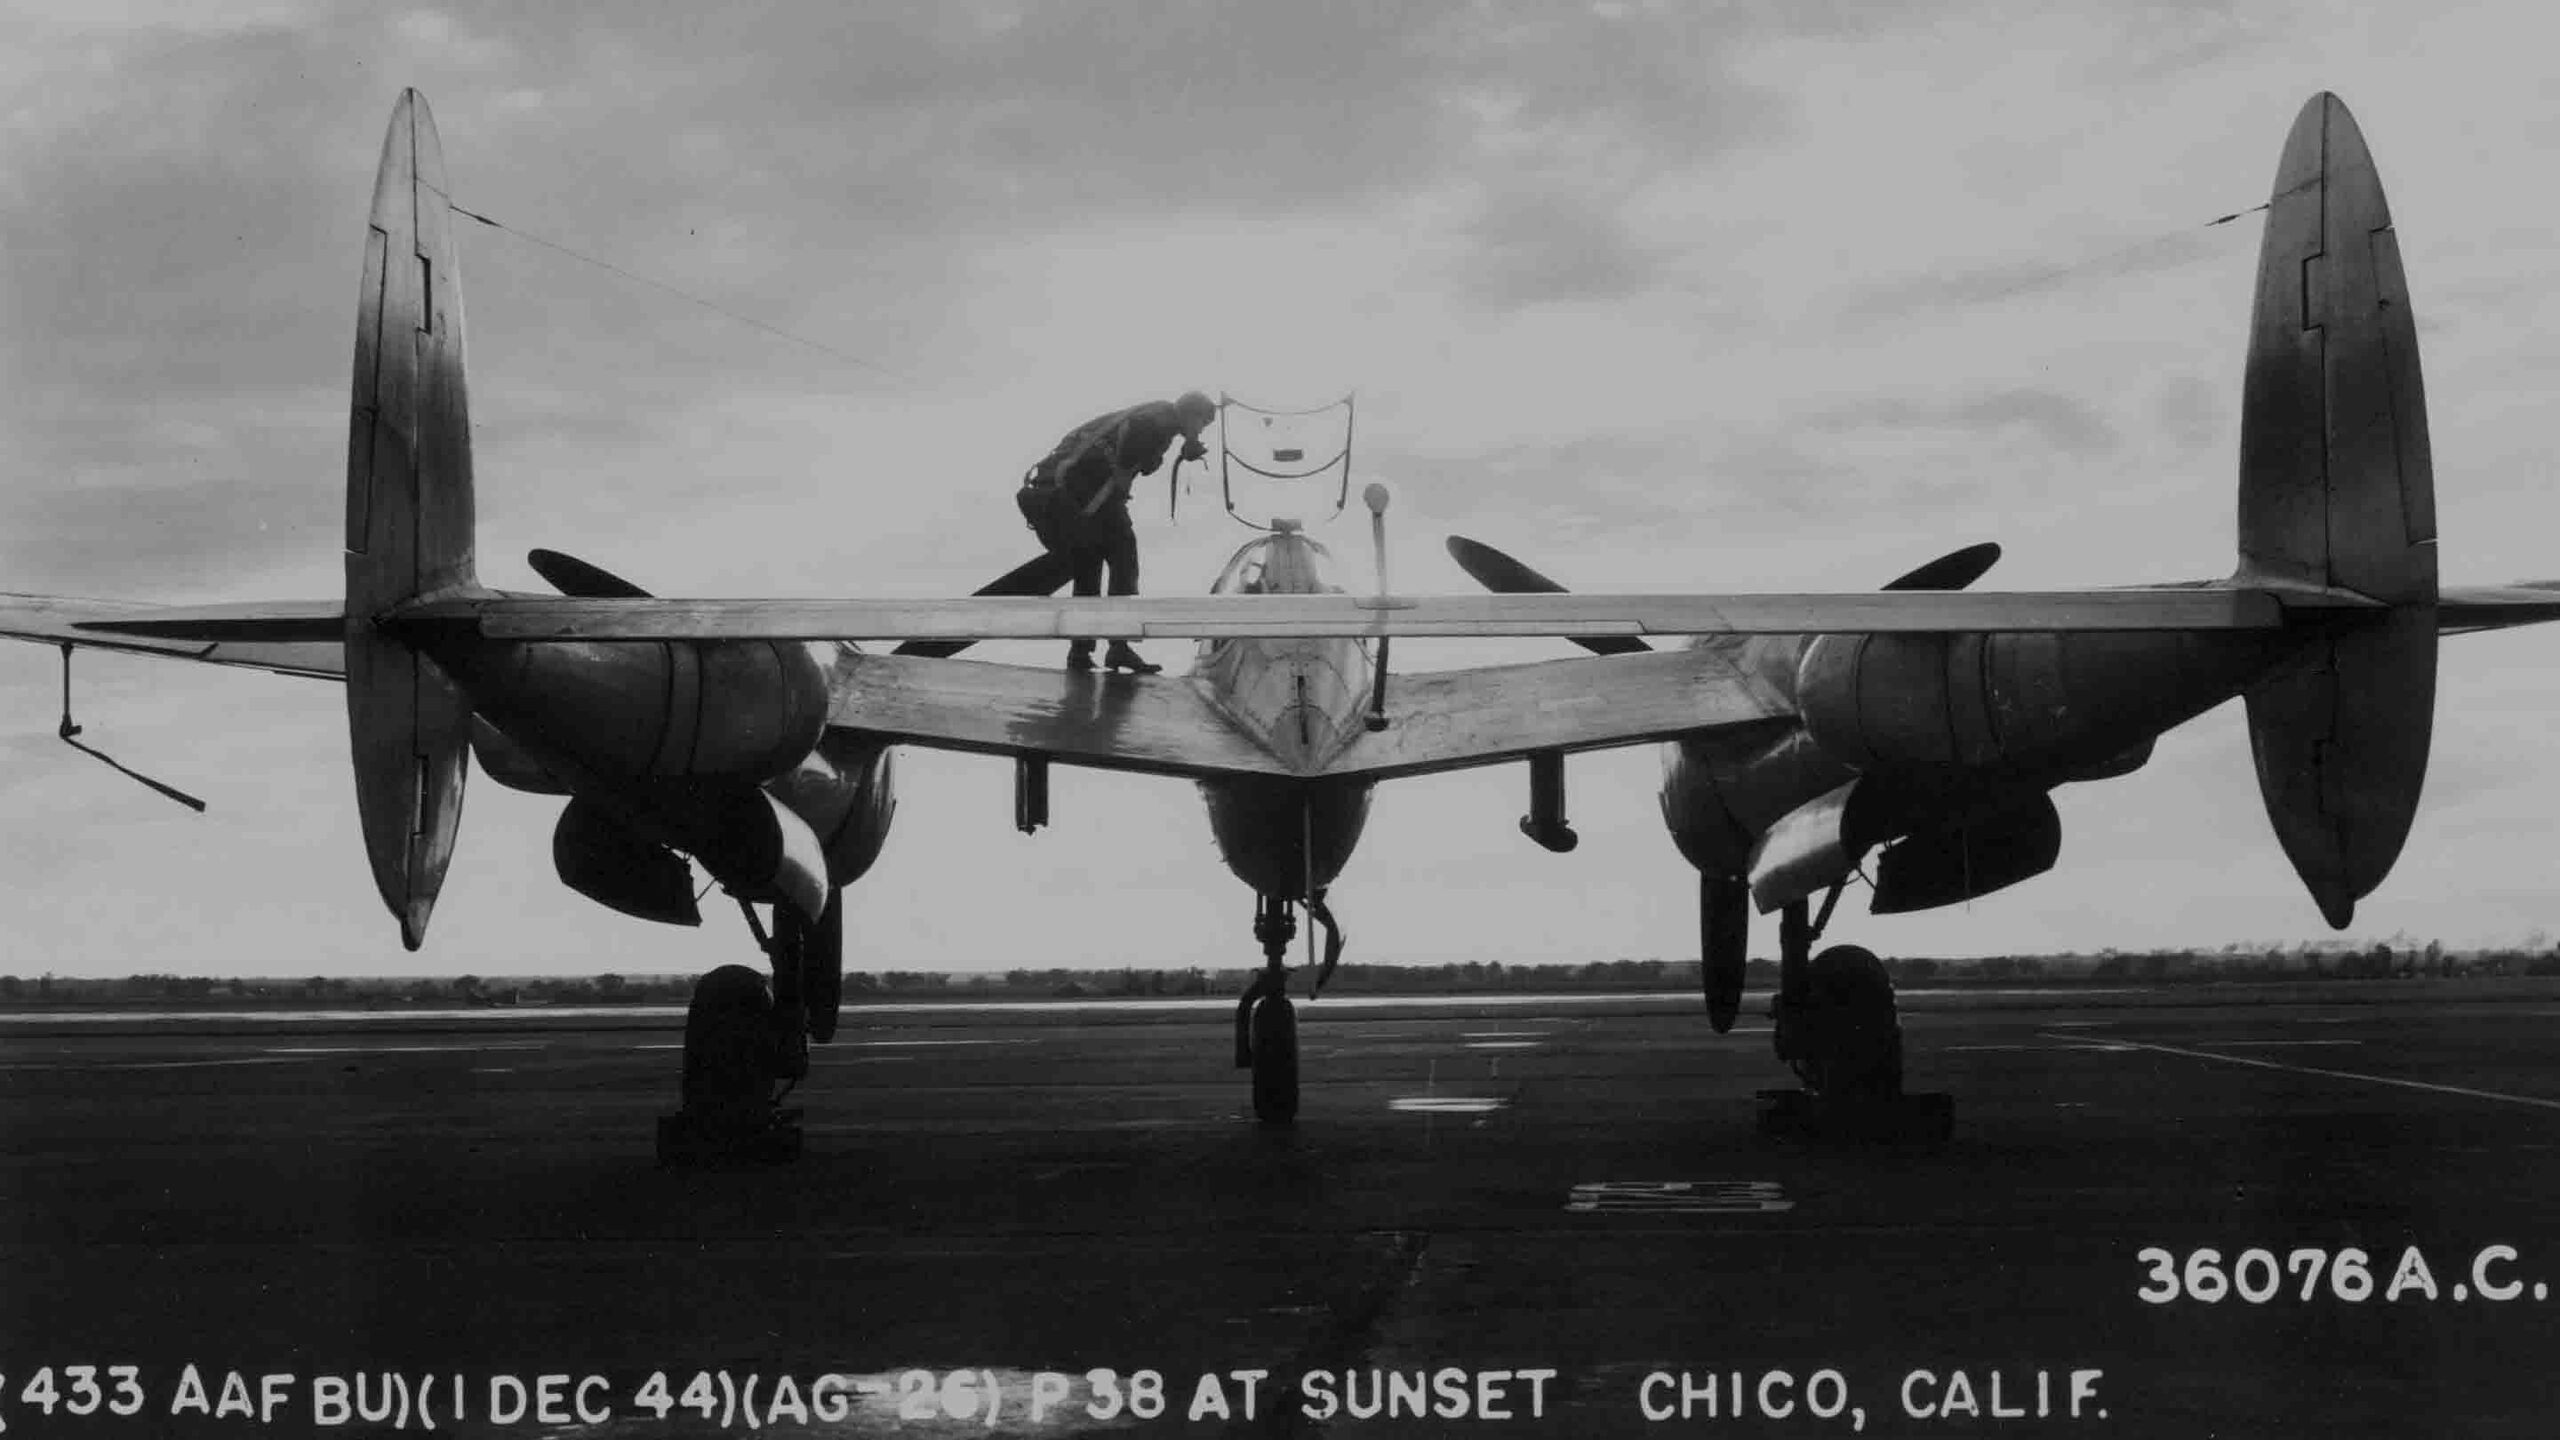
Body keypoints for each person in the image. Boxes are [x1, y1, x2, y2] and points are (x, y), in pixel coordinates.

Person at [1016, 390, 1217, 672]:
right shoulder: (1160, 421)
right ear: (1191, 414)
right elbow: (1137, 451)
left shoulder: (1154, 414)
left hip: (1080, 497)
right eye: (1202, 422)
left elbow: (1135, 456)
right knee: (1124, 560)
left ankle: (1081, 653)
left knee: (1089, 570)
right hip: (1090, 497)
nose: (1200, 429)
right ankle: (1117, 648)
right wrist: (1191, 443)